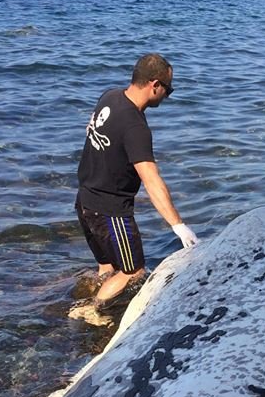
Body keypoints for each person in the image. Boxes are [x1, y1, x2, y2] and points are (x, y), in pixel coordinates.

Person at [74, 52, 198, 311]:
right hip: (110, 211)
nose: (167, 95)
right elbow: (151, 179)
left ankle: (102, 308)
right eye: (168, 89)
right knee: (133, 271)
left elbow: (95, 132)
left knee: (109, 266)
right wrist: (178, 225)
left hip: (84, 200)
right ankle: (93, 311)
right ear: (155, 85)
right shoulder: (135, 127)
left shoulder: (109, 97)